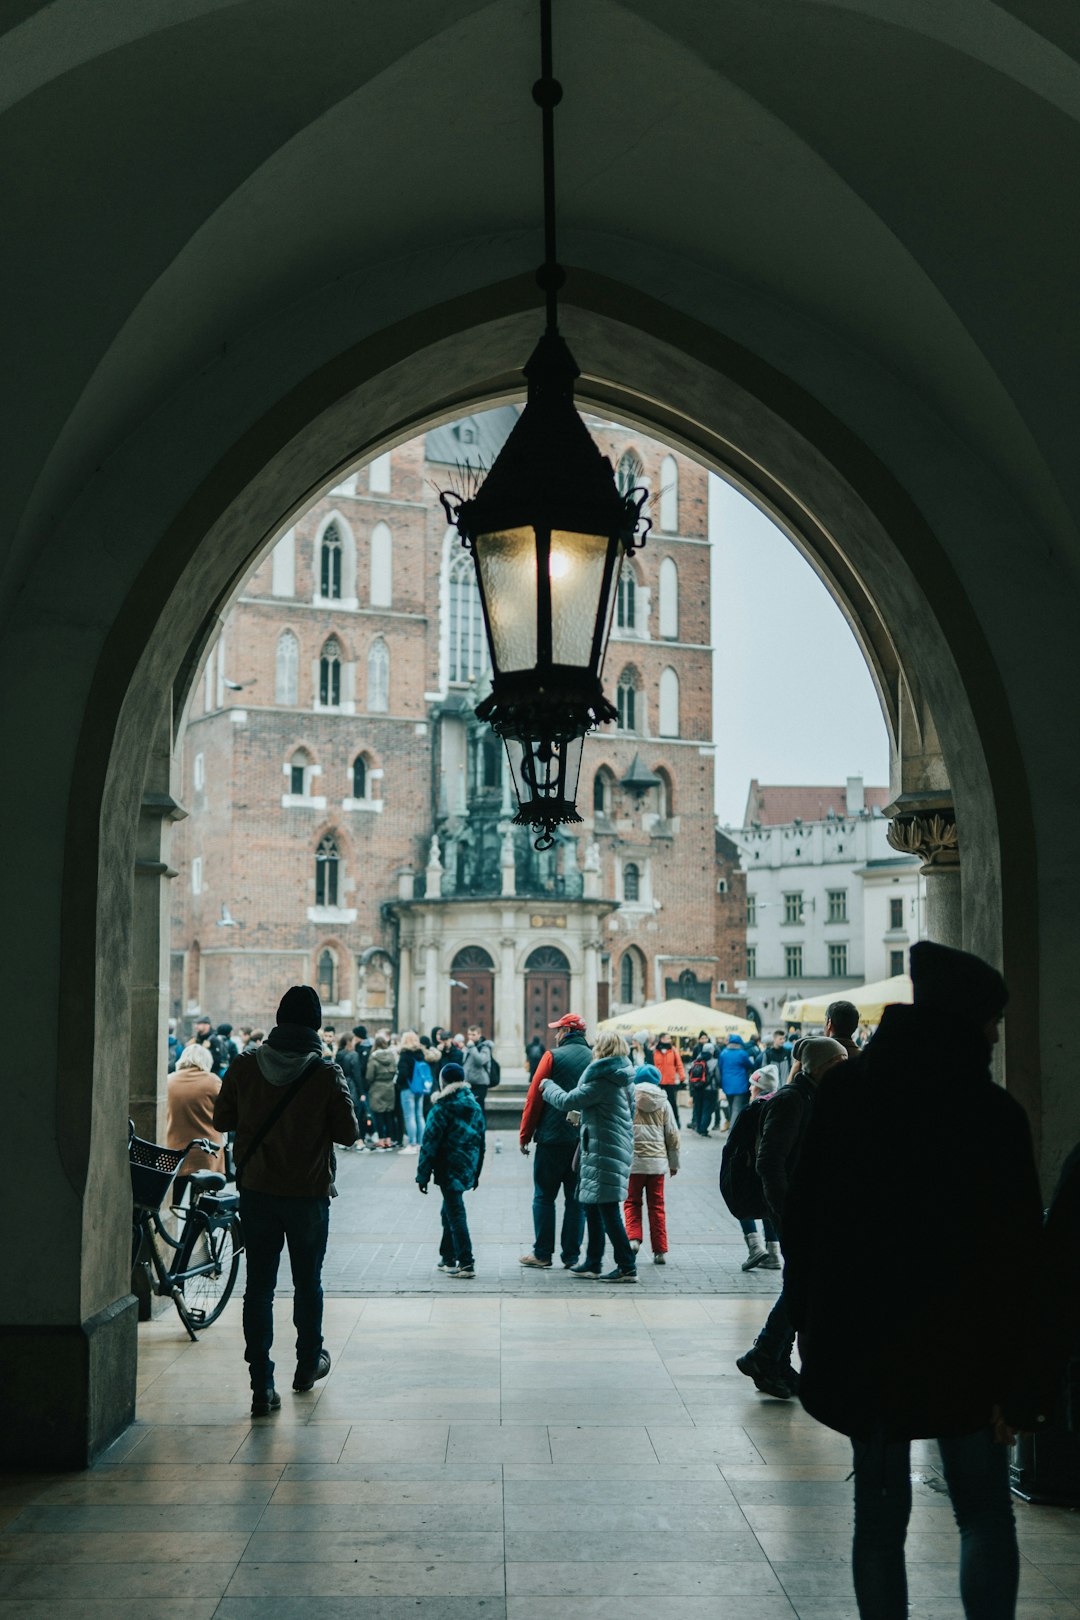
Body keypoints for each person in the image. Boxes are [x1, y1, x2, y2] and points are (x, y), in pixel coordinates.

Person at [783, 942, 1045, 1620]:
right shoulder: (992, 1114)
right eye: (989, 1020)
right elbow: (1020, 1253)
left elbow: (803, 1216)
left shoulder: (845, 1094)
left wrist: (813, 1324)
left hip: (864, 1340)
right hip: (968, 1348)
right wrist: (1020, 1377)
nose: (994, 1033)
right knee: (983, 1513)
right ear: (965, 1020)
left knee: (877, 1522)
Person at [214, 984, 358, 1417]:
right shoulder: (325, 1073)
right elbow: (349, 1133)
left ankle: (261, 1384)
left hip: (257, 1192)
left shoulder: (243, 1066)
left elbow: (222, 1119)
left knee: (258, 1287)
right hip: (307, 1195)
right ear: (314, 1025)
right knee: (306, 1282)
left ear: (278, 1020)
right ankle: (306, 1365)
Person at [735, 1036, 847, 1398]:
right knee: (804, 1284)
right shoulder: (792, 1099)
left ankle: (774, 1360)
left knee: (799, 1282)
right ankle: (765, 1352)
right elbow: (770, 1160)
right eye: (837, 1062)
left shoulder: (813, 1096)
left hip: (808, 1207)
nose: (843, 1069)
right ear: (819, 1066)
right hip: (794, 1209)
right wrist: (786, 1208)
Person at [540, 1031, 637, 1282]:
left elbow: (567, 1100)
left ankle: (627, 1265)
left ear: (602, 1050)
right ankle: (593, 1262)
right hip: (608, 1146)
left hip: (605, 1150)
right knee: (593, 1207)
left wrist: (547, 1085)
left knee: (607, 1210)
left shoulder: (604, 1079)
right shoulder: (622, 1077)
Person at [518, 1013, 591, 1269]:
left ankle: (542, 1253)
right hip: (581, 1141)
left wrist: (525, 1134)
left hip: (551, 1139)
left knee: (544, 1196)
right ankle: (571, 1256)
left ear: (567, 1032)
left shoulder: (552, 1056)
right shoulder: (595, 1058)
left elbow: (534, 1096)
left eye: (558, 1030)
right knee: (576, 1200)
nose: (555, 1035)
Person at [416, 1061, 486, 1279]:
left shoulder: (441, 1107)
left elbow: (429, 1143)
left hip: (448, 1166)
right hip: (467, 1165)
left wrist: (423, 1175)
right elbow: (481, 1142)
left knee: (455, 1212)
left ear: (443, 1081)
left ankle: (466, 1262)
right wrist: (477, 1173)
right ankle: (447, 1257)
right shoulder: (474, 1106)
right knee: (449, 1208)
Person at [623, 1063, 680, 1263]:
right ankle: (660, 1251)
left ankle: (633, 1238)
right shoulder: (663, 1102)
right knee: (657, 1205)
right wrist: (673, 1163)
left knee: (632, 1201)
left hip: (634, 1161)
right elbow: (672, 1134)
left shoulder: (629, 1098)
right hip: (657, 1164)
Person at [167, 1043, 225, 1204]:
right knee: (200, 1204)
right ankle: (195, 1228)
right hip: (206, 1149)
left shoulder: (169, 1080)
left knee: (174, 1201)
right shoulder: (213, 1081)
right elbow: (226, 1111)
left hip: (175, 1150)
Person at [397, 1030, 437, 1151]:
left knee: (409, 1117)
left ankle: (412, 1143)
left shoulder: (405, 1054)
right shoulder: (420, 1053)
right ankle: (421, 1143)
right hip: (419, 1088)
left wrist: (399, 1082)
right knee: (419, 1115)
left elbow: (403, 1073)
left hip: (407, 1088)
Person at [365, 1032, 398, 1148]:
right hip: (389, 1087)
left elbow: (369, 1076)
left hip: (377, 1088)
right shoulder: (391, 1056)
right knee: (388, 1114)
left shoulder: (373, 1057)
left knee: (379, 1115)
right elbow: (395, 1070)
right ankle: (389, 1140)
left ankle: (381, 1140)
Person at [718, 1032, 754, 1131]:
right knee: (736, 1108)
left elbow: (720, 1067)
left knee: (730, 1106)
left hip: (727, 1083)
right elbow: (750, 1065)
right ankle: (732, 1130)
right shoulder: (742, 1053)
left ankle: (731, 1124)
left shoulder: (723, 1053)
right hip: (740, 1084)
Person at [652, 1031, 685, 1127]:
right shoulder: (654, 1051)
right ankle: (658, 1121)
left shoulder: (673, 1051)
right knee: (657, 1102)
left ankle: (676, 1121)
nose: (670, 1040)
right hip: (658, 1081)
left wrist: (682, 1077)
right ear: (662, 1039)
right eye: (668, 1038)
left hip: (670, 1081)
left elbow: (679, 1064)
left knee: (672, 1102)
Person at [463, 1025, 494, 1116]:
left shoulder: (485, 1047)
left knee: (479, 1108)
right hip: (468, 1082)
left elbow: (480, 1061)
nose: (470, 1037)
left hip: (480, 1083)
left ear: (479, 1035)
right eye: (469, 1034)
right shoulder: (468, 1047)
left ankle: (481, 1128)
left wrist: (472, 1048)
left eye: (473, 1034)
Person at [687, 1041, 716, 1136]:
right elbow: (718, 1076)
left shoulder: (696, 1060)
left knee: (698, 1108)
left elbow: (690, 1076)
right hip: (709, 1089)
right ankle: (703, 1129)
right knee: (707, 1109)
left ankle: (698, 1127)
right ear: (712, 1051)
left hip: (697, 1088)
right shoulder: (714, 1061)